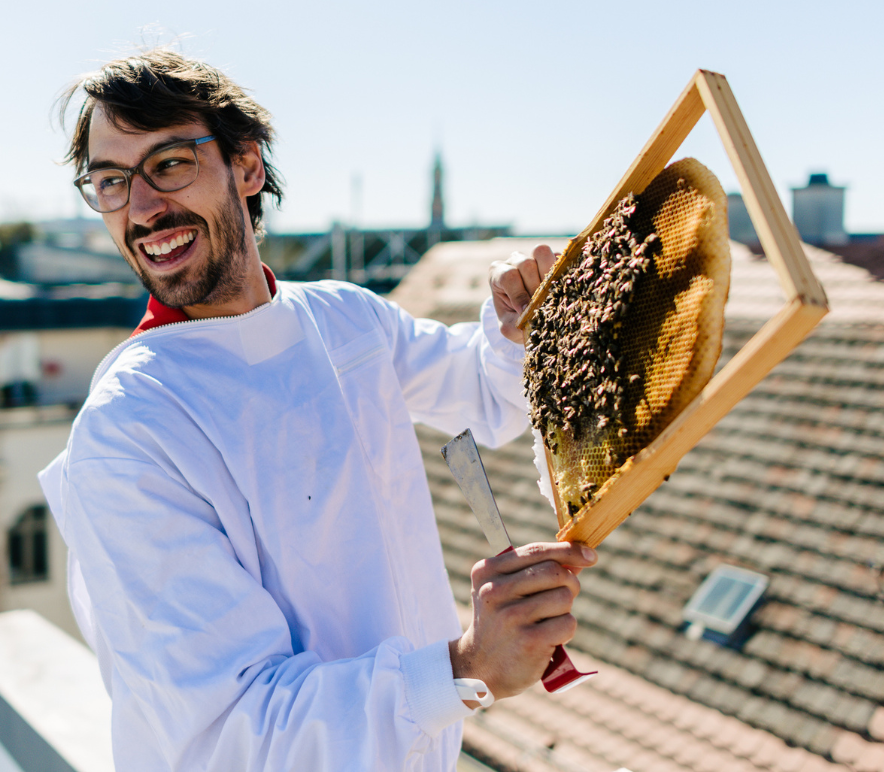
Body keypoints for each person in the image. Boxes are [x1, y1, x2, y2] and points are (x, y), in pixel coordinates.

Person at [39, 49, 596, 771]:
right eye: (111, 182)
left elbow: (486, 393)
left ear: (246, 166)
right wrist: (466, 666)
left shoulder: (344, 319)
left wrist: (517, 321)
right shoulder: (129, 430)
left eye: (169, 163)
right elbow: (230, 732)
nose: (141, 208)